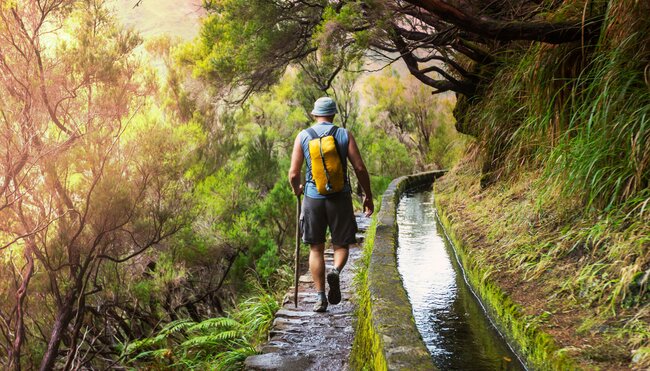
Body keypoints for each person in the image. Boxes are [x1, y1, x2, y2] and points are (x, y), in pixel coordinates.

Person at [288, 96, 374, 312]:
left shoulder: (303, 136)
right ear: (333, 114)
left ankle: (320, 298)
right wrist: (368, 195)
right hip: (340, 197)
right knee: (341, 244)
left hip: (312, 199)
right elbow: (360, 168)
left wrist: (297, 189)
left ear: (315, 114)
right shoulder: (344, 134)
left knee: (316, 248)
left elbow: (293, 173)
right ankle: (335, 271)